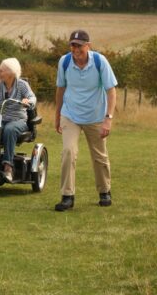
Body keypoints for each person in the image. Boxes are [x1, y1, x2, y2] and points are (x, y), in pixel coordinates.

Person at [54, 30, 118, 212]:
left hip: (96, 116)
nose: (75, 49)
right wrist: (57, 116)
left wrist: (108, 119)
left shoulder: (100, 61)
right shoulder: (64, 62)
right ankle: (67, 196)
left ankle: (104, 191)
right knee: (68, 152)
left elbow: (111, 91)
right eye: (72, 45)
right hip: (70, 114)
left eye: (79, 45)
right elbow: (60, 89)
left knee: (99, 156)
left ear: (88, 46)